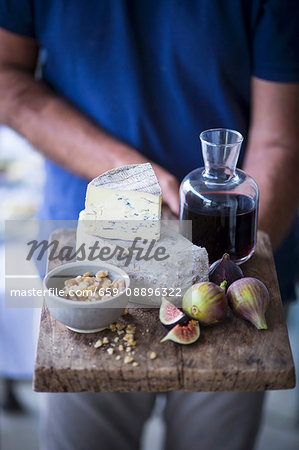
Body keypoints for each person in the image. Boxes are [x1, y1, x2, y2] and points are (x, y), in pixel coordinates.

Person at [0, 1, 298, 449]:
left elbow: (280, 137)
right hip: (95, 265)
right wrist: (132, 177)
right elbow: (7, 79)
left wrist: (229, 275)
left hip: (230, 280)